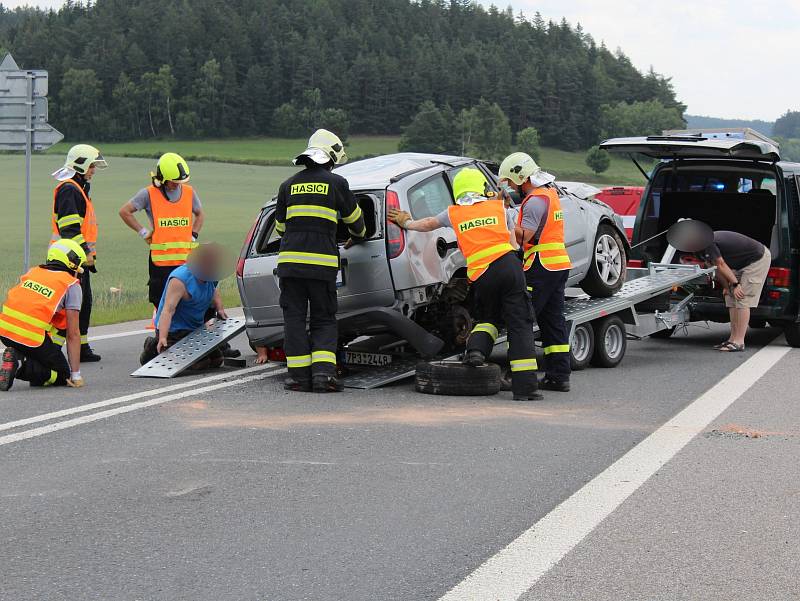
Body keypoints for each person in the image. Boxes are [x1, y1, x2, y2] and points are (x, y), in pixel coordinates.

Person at [388, 167, 542, 401]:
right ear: (481, 187)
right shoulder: (498, 207)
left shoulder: (454, 213)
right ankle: (526, 389)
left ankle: (475, 353)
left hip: (481, 275)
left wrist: (406, 222)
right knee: (519, 324)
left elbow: (427, 224)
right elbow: (515, 242)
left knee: (487, 319)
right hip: (508, 266)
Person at [275, 129, 366, 393]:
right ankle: (323, 376)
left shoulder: (287, 185)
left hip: (290, 264)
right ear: (331, 157)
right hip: (321, 265)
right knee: (323, 318)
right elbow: (356, 224)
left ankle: (298, 377)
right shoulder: (337, 183)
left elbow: (280, 228)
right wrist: (356, 236)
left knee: (293, 318)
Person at [499, 152, 572, 393]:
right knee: (553, 322)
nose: (510, 187)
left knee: (523, 320)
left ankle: (518, 376)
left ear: (521, 178)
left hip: (540, 266)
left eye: (510, 182)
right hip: (558, 265)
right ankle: (559, 376)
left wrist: (504, 218)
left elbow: (524, 236)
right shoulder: (549, 193)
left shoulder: (534, 200)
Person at [118, 153, 204, 310]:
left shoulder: (189, 192)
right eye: (174, 182)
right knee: (162, 303)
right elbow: (125, 211)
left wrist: (193, 234)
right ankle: (162, 332)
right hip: (161, 263)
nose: (177, 185)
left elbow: (200, 214)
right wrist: (143, 232)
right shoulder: (148, 193)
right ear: (162, 178)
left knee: (189, 301)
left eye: (180, 182)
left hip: (186, 260)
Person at [0, 239, 87, 391]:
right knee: (62, 374)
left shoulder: (33, 272)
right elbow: (73, 334)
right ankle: (20, 366)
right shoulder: (70, 284)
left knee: (40, 358)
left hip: (5, 331)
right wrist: (75, 375)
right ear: (71, 263)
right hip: (30, 336)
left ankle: (17, 355)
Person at [50, 144, 107, 362]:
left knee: (83, 304)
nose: (93, 170)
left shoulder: (78, 188)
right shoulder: (69, 190)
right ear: (80, 165)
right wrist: (84, 253)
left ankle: (82, 348)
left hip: (77, 260)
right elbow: (70, 230)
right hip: (69, 260)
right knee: (69, 307)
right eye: (92, 165)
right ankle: (50, 351)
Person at [140, 244, 229, 367]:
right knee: (201, 364)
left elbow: (213, 291)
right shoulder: (180, 280)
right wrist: (163, 337)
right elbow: (168, 310)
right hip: (174, 330)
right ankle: (153, 346)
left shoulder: (210, 275)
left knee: (217, 361)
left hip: (195, 328)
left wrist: (220, 309)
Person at [695, 231, 771, 352]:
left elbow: (720, 264)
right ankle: (732, 340)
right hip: (740, 264)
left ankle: (739, 342)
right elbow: (715, 268)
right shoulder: (697, 248)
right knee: (730, 298)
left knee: (742, 297)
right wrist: (727, 287)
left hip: (757, 259)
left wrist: (735, 284)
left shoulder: (708, 242)